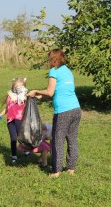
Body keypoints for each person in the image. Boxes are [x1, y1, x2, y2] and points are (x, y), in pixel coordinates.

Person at [28, 49, 81, 177]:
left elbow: (50, 91)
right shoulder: (68, 71)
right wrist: (42, 95)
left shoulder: (54, 71)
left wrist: (35, 91)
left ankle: (56, 171)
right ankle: (71, 169)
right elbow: (61, 90)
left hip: (63, 111)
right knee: (72, 139)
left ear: (53, 59)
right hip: (76, 109)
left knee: (57, 140)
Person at [0, 77, 28, 164]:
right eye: (15, 87)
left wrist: (25, 96)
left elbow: (27, 103)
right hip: (10, 120)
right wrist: (0, 115)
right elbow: (7, 108)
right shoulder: (10, 96)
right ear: (13, 87)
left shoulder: (23, 97)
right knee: (13, 138)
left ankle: (25, 149)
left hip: (20, 119)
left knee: (21, 137)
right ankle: (14, 156)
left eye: (19, 88)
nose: (17, 89)